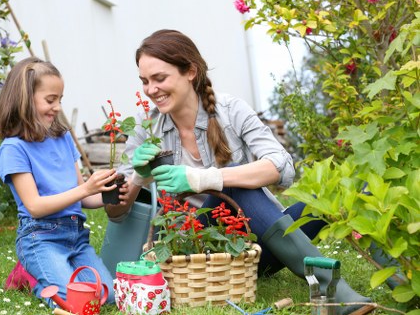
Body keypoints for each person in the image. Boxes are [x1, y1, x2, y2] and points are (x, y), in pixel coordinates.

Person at [106, 29, 372, 315]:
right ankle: (331, 290)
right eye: (145, 81)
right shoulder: (147, 129)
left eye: (159, 78)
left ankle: (400, 275)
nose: (151, 89)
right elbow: (116, 213)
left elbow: (281, 165)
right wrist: (138, 176)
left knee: (330, 198)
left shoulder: (229, 110)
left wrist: (203, 178)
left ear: (190, 72)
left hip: (251, 244)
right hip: (196, 251)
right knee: (233, 181)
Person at [0, 57, 122, 307]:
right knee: (74, 303)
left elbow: (84, 198)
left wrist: (108, 194)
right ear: (24, 99)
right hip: (40, 237)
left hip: (76, 236)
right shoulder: (13, 149)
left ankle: (54, 272)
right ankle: (29, 276)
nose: (57, 107)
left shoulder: (62, 138)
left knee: (108, 298)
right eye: (50, 100)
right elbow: (35, 206)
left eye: (60, 100)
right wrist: (85, 187)